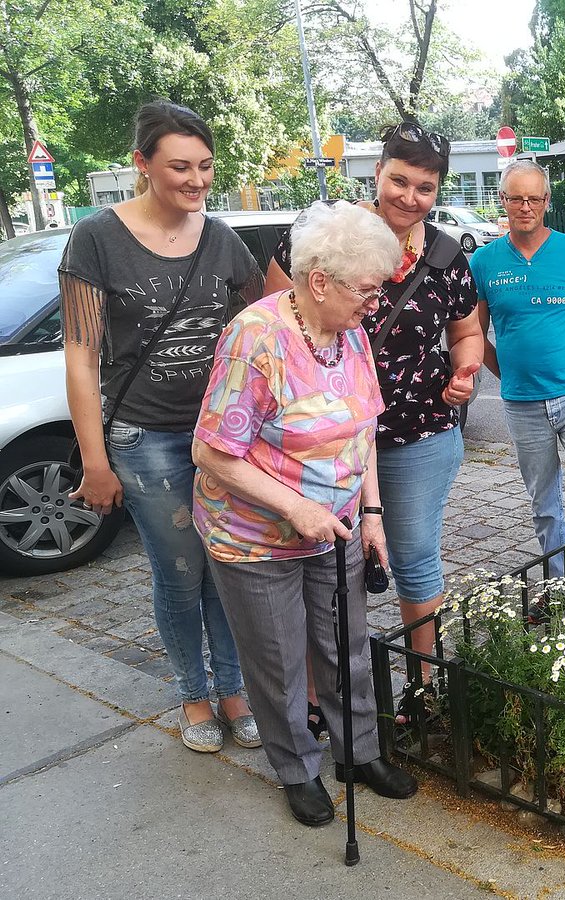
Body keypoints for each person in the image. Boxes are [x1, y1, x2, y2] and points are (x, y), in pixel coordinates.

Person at [193, 200, 418, 827]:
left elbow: (363, 427)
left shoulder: (349, 331)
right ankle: (297, 767)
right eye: (367, 291)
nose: (375, 304)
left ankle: (358, 752)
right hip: (256, 537)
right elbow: (211, 453)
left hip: (337, 526)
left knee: (344, 645)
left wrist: (370, 513)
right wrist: (297, 507)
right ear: (319, 281)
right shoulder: (255, 339)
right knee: (281, 661)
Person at [264, 121, 483, 730]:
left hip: (416, 434)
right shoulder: (319, 236)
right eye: (398, 180)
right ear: (377, 172)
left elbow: (467, 330)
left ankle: (423, 687)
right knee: (325, 567)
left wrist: (465, 372)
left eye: (425, 186)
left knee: (412, 556)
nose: (409, 197)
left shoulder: (444, 256)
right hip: (324, 440)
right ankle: (320, 697)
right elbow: (274, 325)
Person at [59, 100, 263, 754]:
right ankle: (194, 696)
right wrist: (95, 459)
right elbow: (81, 355)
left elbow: (259, 329)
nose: (197, 180)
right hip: (144, 440)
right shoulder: (96, 238)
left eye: (205, 166)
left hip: (222, 442)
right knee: (180, 573)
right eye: (180, 166)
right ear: (142, 164)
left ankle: (234, 689)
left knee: (225, 565)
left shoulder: (221, 237)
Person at [468, 159, 565, 579]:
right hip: (522, 404)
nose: (526, 206)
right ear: (503, 201)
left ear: (547, 201)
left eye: (534, 198)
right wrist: (507, 374)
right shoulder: (485, 262)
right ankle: (558, 577)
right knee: (544, 502)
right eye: (517, 198)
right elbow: (475, 336)